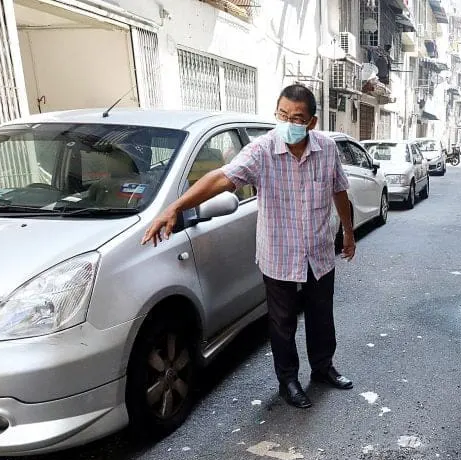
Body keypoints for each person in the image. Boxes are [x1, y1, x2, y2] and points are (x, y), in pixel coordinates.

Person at [141, 83, 357, 410]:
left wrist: (348, 233)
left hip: (319, 251)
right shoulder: (261, 151)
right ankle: (288, 381)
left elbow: (339, 190)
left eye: (297, 118)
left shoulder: (326, 149)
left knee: (321, 316)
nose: (288, 123)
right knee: (282, 324)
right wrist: (175, 207)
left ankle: (323, 367)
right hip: (279, 254)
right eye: (283, 115)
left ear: (312, 122)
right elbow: (221, 178)